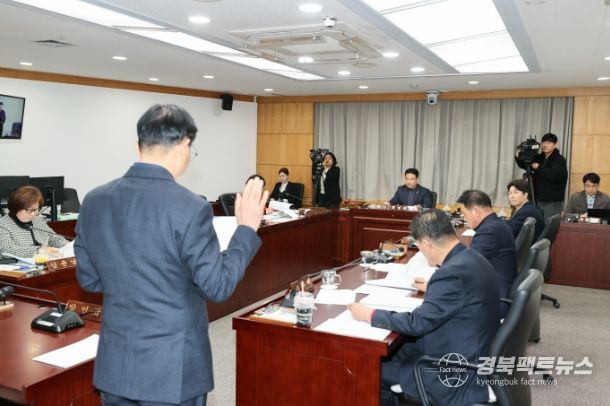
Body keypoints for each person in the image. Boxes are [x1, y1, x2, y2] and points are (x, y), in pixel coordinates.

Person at [75, 104, 268, 405]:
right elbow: (217, 286)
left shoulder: (94, 200)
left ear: (138, 145)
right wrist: (246, 229)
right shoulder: (190, 207)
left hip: (116, 367)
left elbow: (89, 279)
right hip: (172, 371)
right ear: (184, 145)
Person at [347, 209, 500, 406]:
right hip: (470, 345)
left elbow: (417, 323)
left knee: (370, 370)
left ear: (427, 244)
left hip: (453, 369)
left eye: (419, 246)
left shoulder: (450, 274)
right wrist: (434, 289)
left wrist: (370, 314)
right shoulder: (472, 258)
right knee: (395, 349)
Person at [457, 190, 517, 314]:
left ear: (476, 211)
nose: (464, 218)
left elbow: (467, 267)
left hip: (491, 301)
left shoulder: (489, 231)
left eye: (464, 214)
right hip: (494, 289)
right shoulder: (496, 224)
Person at [0, 185, 68, 258]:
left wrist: (67, 246)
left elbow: (53, 238)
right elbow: (6, 249)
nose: (33, 214)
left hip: (44, 262)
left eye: (35, 209)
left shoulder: (37, 220)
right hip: (18, 264)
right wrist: (38, 251)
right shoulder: (3, 224)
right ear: (16, 207)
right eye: (29, 210)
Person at [530, 132, 568, 219]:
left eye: (549, 142)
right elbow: (525, 165)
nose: (545, 145)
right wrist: (520, 155)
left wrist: (539, 167)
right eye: (544, 142)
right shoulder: (538, 158)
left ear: (554, 145)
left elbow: (555, 176)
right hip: (537, 199)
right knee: (537, 225)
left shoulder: (559, 159)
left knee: (549, 225)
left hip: (552, 201)